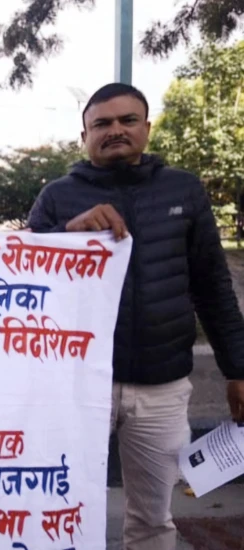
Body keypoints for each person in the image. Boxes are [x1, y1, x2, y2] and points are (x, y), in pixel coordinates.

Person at [27, 83, 244, 550]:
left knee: (152, 518)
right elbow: (23, 284)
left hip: (162, 387)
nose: (115, 130)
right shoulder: (57, 197)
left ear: (147, 127)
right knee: (54, 508)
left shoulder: (183, 189)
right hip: (76, 386)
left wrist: (238, 369)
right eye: (101, 123)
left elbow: (213, 286)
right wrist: (67, 236)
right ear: (84, 136)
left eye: (127, 120)